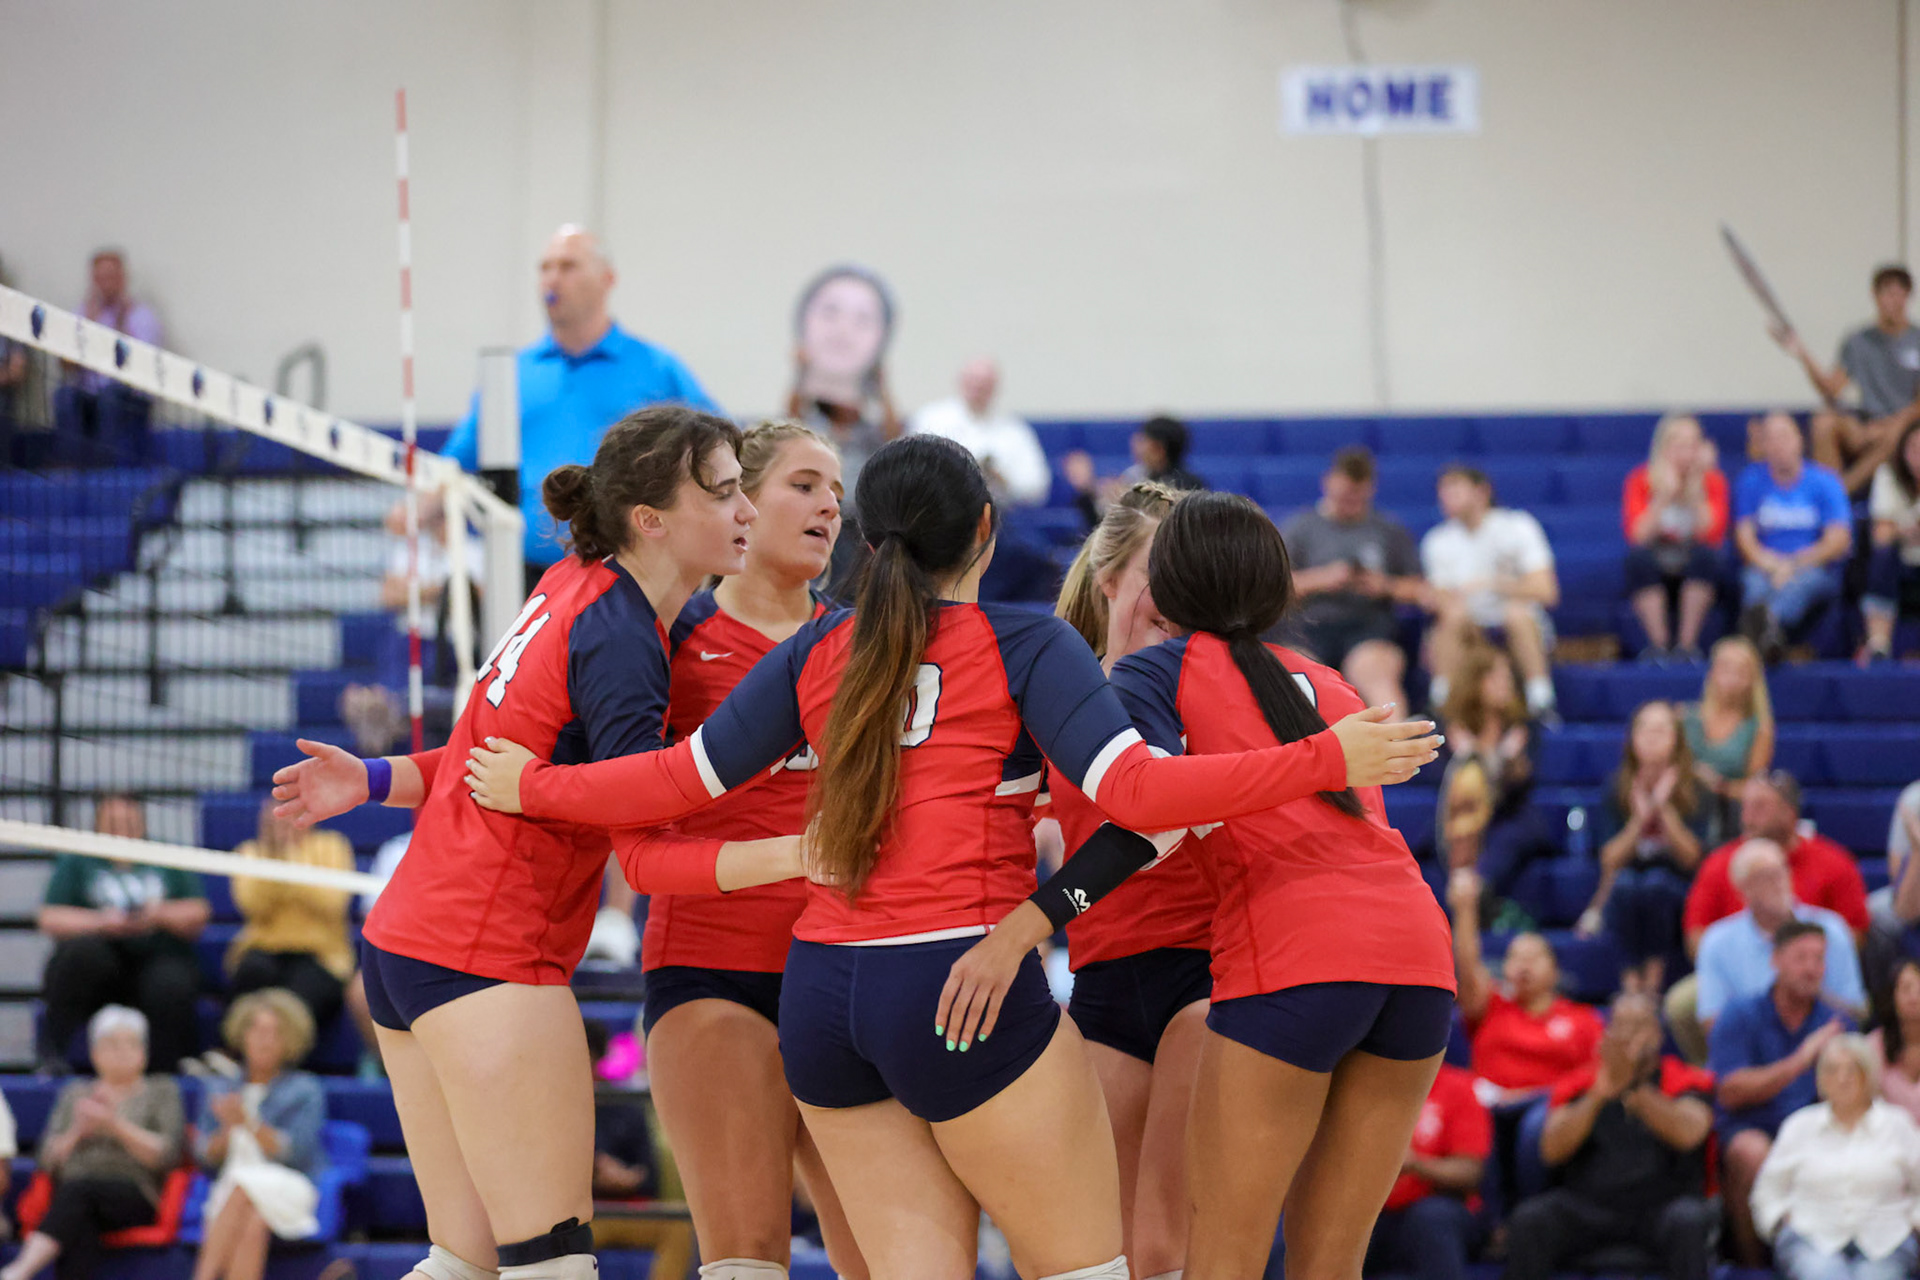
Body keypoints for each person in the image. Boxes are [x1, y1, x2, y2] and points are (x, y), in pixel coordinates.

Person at [454, 436, 1443, 1279]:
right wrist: (1328, 757)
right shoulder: (1029, 644)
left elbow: (672, 780)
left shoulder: (816, 647)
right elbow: (1142, 799)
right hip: (962, 977)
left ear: (866, 536)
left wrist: (532, 786)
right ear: (985, 530)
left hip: (825, 994)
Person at [270, 406, 769, 1280]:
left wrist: (377, 777)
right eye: (724, 492)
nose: (746, 510)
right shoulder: (621, 637)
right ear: (651, 519)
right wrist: (795, 847)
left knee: (461, 1264)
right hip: (486, 958)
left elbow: (495, 754)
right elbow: (637, 837)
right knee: (552, 1267)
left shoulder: (572, 581)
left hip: (408, 947)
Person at [625, 422, 864, 1279]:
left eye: (836, 492)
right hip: (712, 968)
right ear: (741, 502)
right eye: (804, 485)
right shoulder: (670, 637)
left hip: (846, 973)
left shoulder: (866, 644)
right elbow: (583, 775)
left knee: (887, 1258)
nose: (829, 506)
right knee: (749, 1256)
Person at [1046, 480, 1206, 1277]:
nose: (1171, 599)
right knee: (1102, 1246)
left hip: (1207, 971)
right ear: (1109, 578)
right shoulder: (1055, 696)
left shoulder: (1211, 690)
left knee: (1168, 1242)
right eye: (1155, 576)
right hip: (1104, 978)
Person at [440, 226, 720, 584]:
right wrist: (417, 509)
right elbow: (456, 463)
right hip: (525, 577)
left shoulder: (656, 369)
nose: (552, 279)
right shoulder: (511, 374)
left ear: (607, 279)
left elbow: (715, 449)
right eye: (545, 268)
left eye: (568, 266)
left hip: (629, 571)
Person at [1504, 993, 1716, 1280]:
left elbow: (1690, 1133)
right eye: (1620, 1027)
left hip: (1661, 1206)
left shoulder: (1686, 1079)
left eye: (1638, 1027)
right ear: (1606, 1035)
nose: (1628, 1037)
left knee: (1688, 1220)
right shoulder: (1580, 1083)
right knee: (1529, 1219)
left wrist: (1635, 1088)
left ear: (1657, 1034)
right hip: (1588, 1206)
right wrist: (1599, 1095)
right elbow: (1551, 1150)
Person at [1666, 771, 1868, 1062]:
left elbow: (1855, 940)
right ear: (1742, 888)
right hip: (1741, 985)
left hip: (1817, 1001)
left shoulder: (1832, 882)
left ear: (1789, 812)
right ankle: (1711, 1072)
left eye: (1760, 807)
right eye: (1745, 807)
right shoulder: (1720, 869)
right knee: (1682, 1002)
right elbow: (1698, 938)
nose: (1747, 817)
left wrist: (1807, 977)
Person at [1709, 919, 1858, 1266]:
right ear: (1775, 960)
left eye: (1819, 959)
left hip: (1817, 1131)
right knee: (1751, 1152)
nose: (1811, 968)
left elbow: (1854, 1099)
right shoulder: (1739, 1013)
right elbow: (1729, 1091)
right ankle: (1755, 1265)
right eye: (1801, 958)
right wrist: (1801, 1060)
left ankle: (1829, 1255)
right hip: (1755, 1127)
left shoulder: (1838, 1022)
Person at [0, 1007, 185, 1280]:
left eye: (131, 1044)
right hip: (73, 1195)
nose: (122, 1052)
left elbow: (168, 1155)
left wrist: (115, 1126)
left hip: (135, 1193)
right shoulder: (75, 1093)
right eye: (112, 1044)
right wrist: (78, 1131)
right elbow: (46, 1162)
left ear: (144, 1052)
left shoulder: (161, 1090)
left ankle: (20, 1271)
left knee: (80, 1194)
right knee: (81, 1220)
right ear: (95, 1053)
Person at [36, 796, 209, 1073]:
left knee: (170, 981)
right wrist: (101, 921)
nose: (121, 829)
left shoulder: (165, 854)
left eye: (128, 822)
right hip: (102, 962)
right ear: (97, 825)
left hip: (156, 956)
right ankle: (52, 1059)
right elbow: (49, 917)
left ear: (142, 824)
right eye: (112, 823)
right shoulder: (78, 857)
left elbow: (198, 911)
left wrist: (157, 914)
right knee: (79, 956)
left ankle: (166, 1070)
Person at [1752, 1033, 1920, 1280]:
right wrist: (1780, 1222)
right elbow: (1767, 1190)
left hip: (1888, 1239)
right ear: (1820, 1079)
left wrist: (1913, 1224)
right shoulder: (1799, 1126)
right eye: (1832, 1070)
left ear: (1869, 1075)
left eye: (1852, 1070)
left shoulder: (1898, 1124)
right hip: (1810, 1236)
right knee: (1824, 1275)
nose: (1842, 1079)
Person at [189, 990, 328, 1280]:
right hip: (231, 1188)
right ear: (243, 1034)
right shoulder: (221, 1087)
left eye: (275, 1033)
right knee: (253, 1220)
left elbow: (296, 1153)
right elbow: (204, 1156)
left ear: (290, 1040)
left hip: (288, 1183)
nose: (265, 1040)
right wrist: (228, 1128)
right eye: (257, 1030)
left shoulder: (305, 1089)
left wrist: (248, 1123)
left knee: (243, 1188)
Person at [340, 491, 487, 756]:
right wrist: (441, 590)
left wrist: (415, 591)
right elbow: (388, 597)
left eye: (443, 518)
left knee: (428, 657)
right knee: (399, 645)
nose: (439, 524)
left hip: (452, 642)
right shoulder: (411, 550)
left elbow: (475, 594)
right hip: (410, 636)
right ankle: (386, 703)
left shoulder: (475, 551)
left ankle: (387, 706)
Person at [1578, 700, 1709, 994]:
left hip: (1677, 887)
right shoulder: (1617, 787)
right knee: (1626, 884)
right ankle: (1630, 984)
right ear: (1632, 739)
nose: (1652, 737)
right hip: (1626, 887)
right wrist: (1639, 819)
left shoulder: (1696, 787)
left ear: (1677, 739)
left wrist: (1663, 808)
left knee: (1656, 884)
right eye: (1644, 729)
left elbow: (1692, 858)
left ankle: (1652, 982)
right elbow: (1610, 859)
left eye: (1661, 730)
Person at [1279, 447, 1425, 710]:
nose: (1350, 503)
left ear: (1370, 489)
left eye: (1357, 497)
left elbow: (1420, 589)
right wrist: (1320, 580)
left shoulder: (1388, 529)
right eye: (1344, 495)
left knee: (1375, 673)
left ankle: (1398, 736)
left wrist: (1384, 585)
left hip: (1367, 630)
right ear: (1328, 483)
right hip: (1309, 628)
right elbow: (1275, 587)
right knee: (1298, 678)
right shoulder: (1300, 528)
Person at [1448, 867, 1604, 1098]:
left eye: (1533, 958)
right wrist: (1465, 908)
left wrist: (1532, 1097)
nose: (1524, 966)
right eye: (1516, 958)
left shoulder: (1583, 1020)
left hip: (1549, 1108)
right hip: (1491, 1108)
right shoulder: (1490, 1006)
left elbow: (1597, 1077)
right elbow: (1467, 969)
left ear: (1555, 971)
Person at [1420, 464, 1560, 720]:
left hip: (1517, 623)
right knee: (1451, 617)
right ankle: (1440, 702)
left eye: (1455, 489)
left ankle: (1541, 701)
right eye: (1443, 491)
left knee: (1516, 613)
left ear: (1481, 492)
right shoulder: (1437, 540)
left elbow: (1546, 591)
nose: (1446, 497)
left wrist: (1495, 584)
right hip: (1469, 627)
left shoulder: (1517, 526)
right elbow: (1438, 597)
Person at [1773, 264, 1920, 497]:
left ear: (1908, 297)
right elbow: (1831, 388)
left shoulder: (1916, 339)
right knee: (1824, 422)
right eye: (1887, 294)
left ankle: (1835, 494)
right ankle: (1829, 491)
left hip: (1904, 427)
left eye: (1899, 294)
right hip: (1866, 421)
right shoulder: (1858, 340)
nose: (1893, 301)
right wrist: (1800, 352)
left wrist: (1889, 425)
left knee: (1894, 434)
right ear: (1875, 296)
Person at [1694, 840, 1865, 1032]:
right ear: (1742, 889)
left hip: (1824, 1039)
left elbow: (1854, 1011)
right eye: (1765, 877)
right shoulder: (1717, 942)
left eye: (1781, 871)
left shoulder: (1831, 929)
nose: (1778, 882)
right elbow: (1712, 1021)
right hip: (1750, 1044)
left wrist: (1811, 993)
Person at [1434, 644, 1554, 899]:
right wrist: (1484, 759)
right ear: (1474, 682)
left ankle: (1477, 889)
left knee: (1510, 835)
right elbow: (1448, 786)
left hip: (1506, 816)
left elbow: (1521, 786)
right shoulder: (1449, 731)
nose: (1505, 684)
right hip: (1459, 818)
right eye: (1496, 677)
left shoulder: (1522, 728)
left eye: (1507, 677)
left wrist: (1499, 763)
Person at [225, 800, 355, 1031]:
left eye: (288, 819)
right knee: (251, 976)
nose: (281, 827)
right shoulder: (251, 852)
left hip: (321, 954)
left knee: (302, 992)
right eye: (273, 822)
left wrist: (290, 858)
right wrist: (275, 859)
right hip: (264, 949)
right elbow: (253, 907)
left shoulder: (331, 846)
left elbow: (332, 903)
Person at [1733, 412, 1852, 661]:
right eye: (1772, 439)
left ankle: (1764, 632)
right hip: (1765, 566)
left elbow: (1838, 539)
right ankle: (1770, 639)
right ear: (1763, 446)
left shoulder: (1825, 481)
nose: (1779, 445)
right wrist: (1774, 565)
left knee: (1802, 584)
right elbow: (1745, 539)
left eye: (1784, 436)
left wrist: (1794, 564)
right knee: (1754, 584)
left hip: (1813, 566)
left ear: (1800, 440)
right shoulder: (1750, 481)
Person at [786, 264, 903, 509]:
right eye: (830, 312)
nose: (843, 330)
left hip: (860, 512)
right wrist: (802, 373)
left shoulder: (867, 432)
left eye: (863, 319)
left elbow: (893, 436)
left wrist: (882, 389)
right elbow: (792, 420)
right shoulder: (816, 428)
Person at [1364, 1064, 1489, 1280]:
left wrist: (1415, 1164)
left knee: (1431, 1218)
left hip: (1437, 1206)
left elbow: (1471, 1172)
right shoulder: (1362, 1086)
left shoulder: (1457, 1087)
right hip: (1373, 1213)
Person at [1623, 414, 1729, 661]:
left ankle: (1686, 646)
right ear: (1663, 448)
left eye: (1692, 446)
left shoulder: (1713, 481)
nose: (1686, 454)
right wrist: (1663, 497)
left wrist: (1695, 490)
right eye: (1679, 446)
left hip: (1694, 565)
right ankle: (1658, 647)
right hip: (1657, 562)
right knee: (1637, 560)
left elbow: (1712, 535)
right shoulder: (1640, 479)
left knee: (1707, 558)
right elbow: (1637, 536)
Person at [52, 249, 162, 467]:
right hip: (87, 393)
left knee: (109, 398)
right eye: (100, 278)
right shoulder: (82, 314)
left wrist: (121, 327)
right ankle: (70, 469)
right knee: (64, 396)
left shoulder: (141, 316)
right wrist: (88, 328)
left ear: (123, 278)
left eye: (111, 277)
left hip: (127, 395)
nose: (106, 284)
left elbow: (141, 367)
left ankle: (104, 471)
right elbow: (65, 364)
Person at [908, 359, 1050, 509]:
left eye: (984, 383)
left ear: (995, 388)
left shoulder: (1015, 431)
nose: (978, 387)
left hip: (999, 512)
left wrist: (1003, 481)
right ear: (960, 381)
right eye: (973, 380)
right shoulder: (929, 418)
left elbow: (1037, 487)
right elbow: (911, 471)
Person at [1682, 636, 1775, 844]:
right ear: (1712, 672)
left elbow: (1754, 788)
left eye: (1740, 670)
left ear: (1753, 679)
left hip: (1728, 813)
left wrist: (1718, 785)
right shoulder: (1684, 717)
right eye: (1725, 667)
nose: (1731, 676)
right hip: (1684, 806)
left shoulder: (1759, 727)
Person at [1062, 416, 1206, 528]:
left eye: (1142, 441)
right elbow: (1106, 531)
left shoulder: (1187, 486)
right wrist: (1089, 491)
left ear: (1158, 449)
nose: (1135, 444)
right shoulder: (1135, 474)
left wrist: (1125, 502)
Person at [1862, 420, 1920, 663]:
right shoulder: (1888, 476)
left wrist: (1899, 527)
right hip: (1901, 565)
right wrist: (1907, 530)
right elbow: (1881, 535)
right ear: (1903, 451)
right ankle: (1878, 644)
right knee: (1883, 557)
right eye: (1914, 448)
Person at [1870, 958, 1920, 1123]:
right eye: (1906, 989)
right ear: (1892, 996)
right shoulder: (1873, 1046)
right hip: (1887, 1134)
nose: (1914, 997)